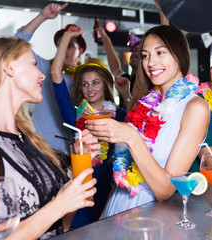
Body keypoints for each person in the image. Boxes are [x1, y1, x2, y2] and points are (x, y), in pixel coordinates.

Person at [0, 37, 98, 239]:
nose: (42, 75)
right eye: (34, 64)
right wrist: (58, 205)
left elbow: (60, 227)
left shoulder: (30, 140)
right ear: (9, 67)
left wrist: (81, 163)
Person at [86, 25, 210, 217]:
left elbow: (166, 190)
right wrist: (103, 218)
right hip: (116, 209)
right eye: (145, 55)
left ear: (179, 55)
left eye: (160, 52)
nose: (151, 62)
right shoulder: (145, 103)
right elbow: (124, 170)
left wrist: (132, 137)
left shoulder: (195, 108)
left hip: (148, 216)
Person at [50, 25, 126, 226]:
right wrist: (67, 36)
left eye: (95, 82)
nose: (90, 88)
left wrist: (126, 92)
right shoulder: (75, 116)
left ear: (105, 85)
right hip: (83, 195)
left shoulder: (120, 115)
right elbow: (56, 75)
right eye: (84, 84)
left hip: (112, 195)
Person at [14, 3, 86, 155]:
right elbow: (16, 43)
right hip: (43, 146)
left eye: (70, 45)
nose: (65, 49)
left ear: (80, 51)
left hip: (78, 149)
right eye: (61, 44)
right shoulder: (45, 68)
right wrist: (42, 17)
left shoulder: (87, 78)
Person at [97, 0, 169, 110]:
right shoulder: (126, 79)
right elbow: (115, 67)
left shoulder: (149, 80)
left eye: (141, 53)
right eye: (134, 50)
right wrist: (105, 39)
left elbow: (166, 42)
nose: (135, 53)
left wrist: (162, 11)